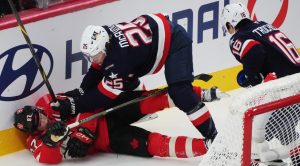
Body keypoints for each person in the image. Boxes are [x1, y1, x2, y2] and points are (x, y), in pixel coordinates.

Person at [50, 13, 228, 144]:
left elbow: (104, 95)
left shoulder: (118, 60)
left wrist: (73, 105)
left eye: (94, 55)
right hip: (151, 36)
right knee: (116, 75)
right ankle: (199, 95)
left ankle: (215, 138)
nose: (92, 59)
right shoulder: (103, 35)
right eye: (88, 55)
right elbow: (97, 67)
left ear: (105, 46)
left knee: (180, 92)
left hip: (174, 40)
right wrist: (81, 91)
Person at [14, 85, 226, 164]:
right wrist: (51, 139)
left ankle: (201, 93)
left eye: (39, 116)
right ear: (33, 132)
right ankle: (208, 146)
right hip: (110, 141)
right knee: (155, 145)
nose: (42, 121)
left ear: (38, 110)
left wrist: (85, 129)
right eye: (38, 125)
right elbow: (46, 157)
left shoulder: (49, 103)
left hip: (107, 112)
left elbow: (87, 99)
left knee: (149, 100)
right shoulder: (37, 140)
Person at [221, 2, 300, 166]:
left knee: (250, 137)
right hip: (296, 82)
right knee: (286, 131)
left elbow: (255, 52)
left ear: (230, 24)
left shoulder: (238, 37)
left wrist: (250, 77)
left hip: (283, 88)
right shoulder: (264, 25)